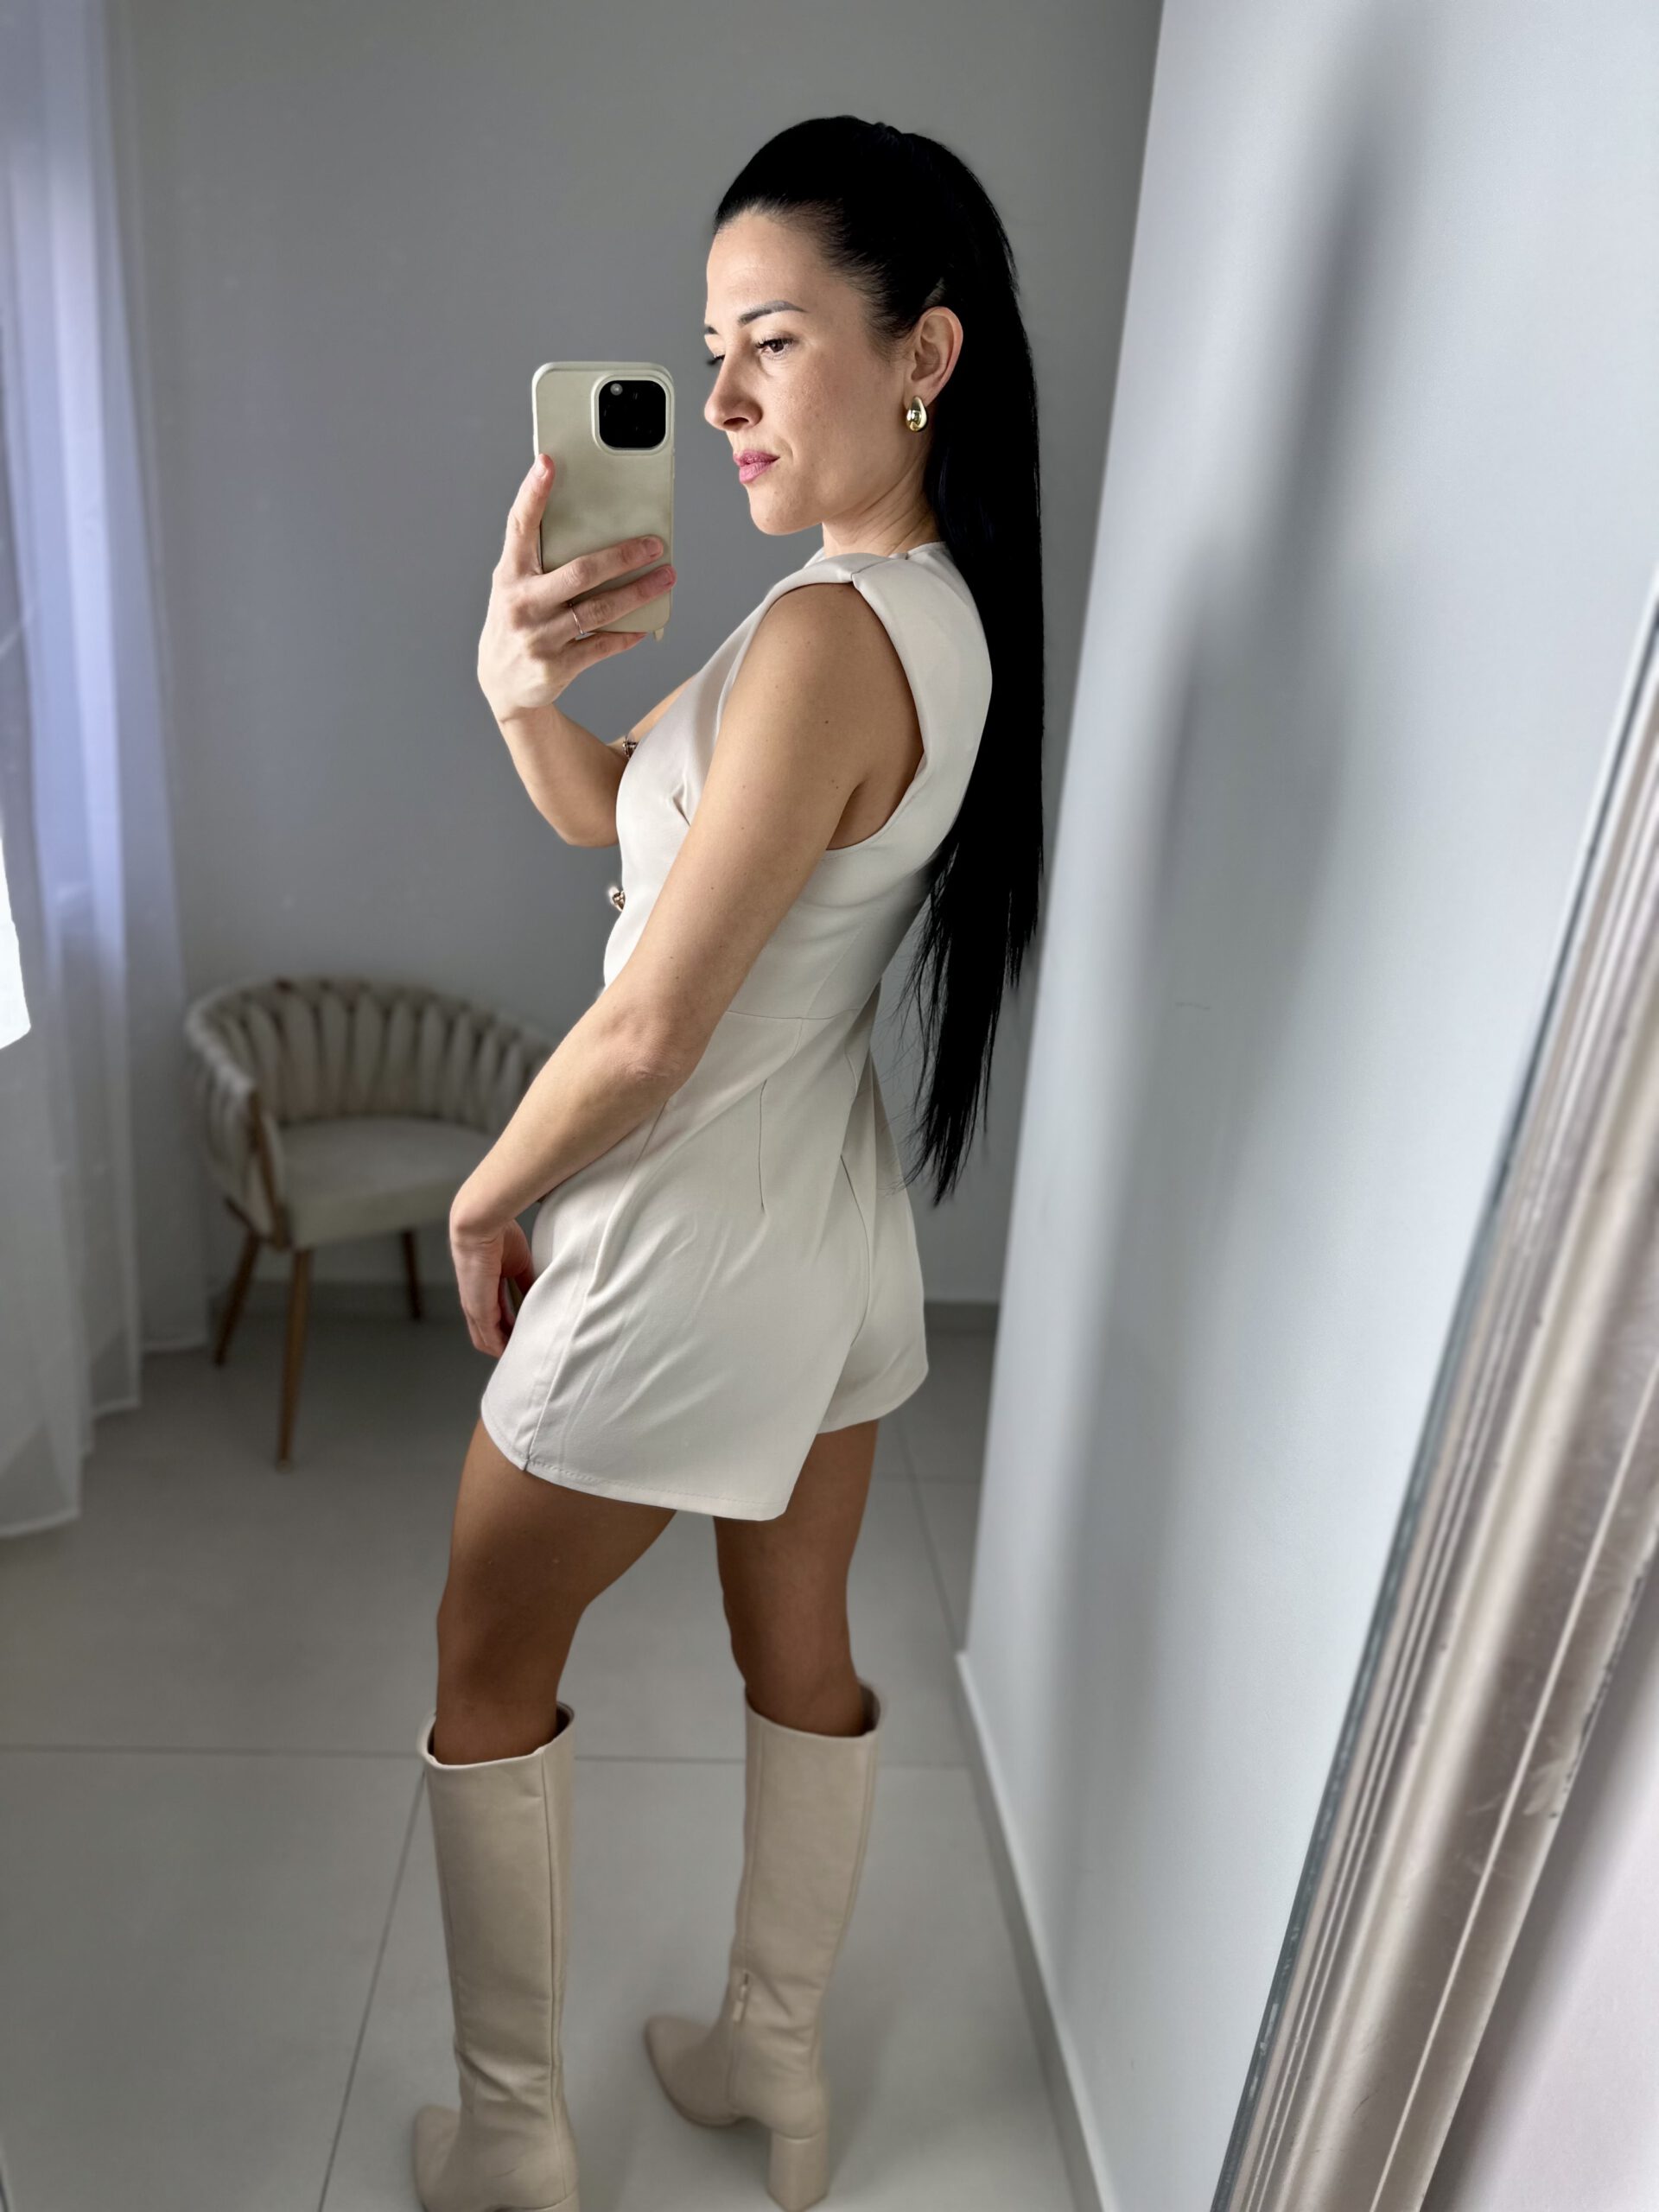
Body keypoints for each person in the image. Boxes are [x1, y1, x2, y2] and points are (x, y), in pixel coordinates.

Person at [411, 114, 1046, 2212]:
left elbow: (648, 1028)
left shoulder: (823, 639)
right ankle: (774, 2060)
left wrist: (487, 1190)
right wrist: (515, 680)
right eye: (710, 353)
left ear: (923, 352)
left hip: (687, 1238)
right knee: (804, 1649)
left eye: (773, 340)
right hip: (832, 1237)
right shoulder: (918, 617)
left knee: (486, 1664)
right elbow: (609, 813)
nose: (721, 400)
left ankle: (513, 2131)